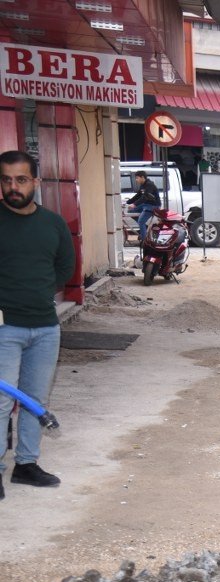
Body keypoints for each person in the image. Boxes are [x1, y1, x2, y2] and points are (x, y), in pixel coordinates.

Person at [0, 150, 74, 500]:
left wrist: (40, 292)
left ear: (36, 182)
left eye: (21, 179)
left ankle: (26, 464)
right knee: (1, 402)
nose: (13, 187)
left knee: (34, 400)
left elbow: (65, 267)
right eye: (6, 180)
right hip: (4, 328)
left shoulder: (53, 224)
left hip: (45, 327)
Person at [125, 170, 160, 244]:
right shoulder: (142, 185)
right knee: (131, 211)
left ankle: (145, 242)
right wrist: (127, 202)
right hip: (145, 204)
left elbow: (145, 197)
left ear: (142, 177)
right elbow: (138, 195)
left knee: (141, 221)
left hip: (153, 205)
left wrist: (134, 204)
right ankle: (145, 228)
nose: (136, 180)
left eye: (137, 178)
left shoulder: (149, 185)